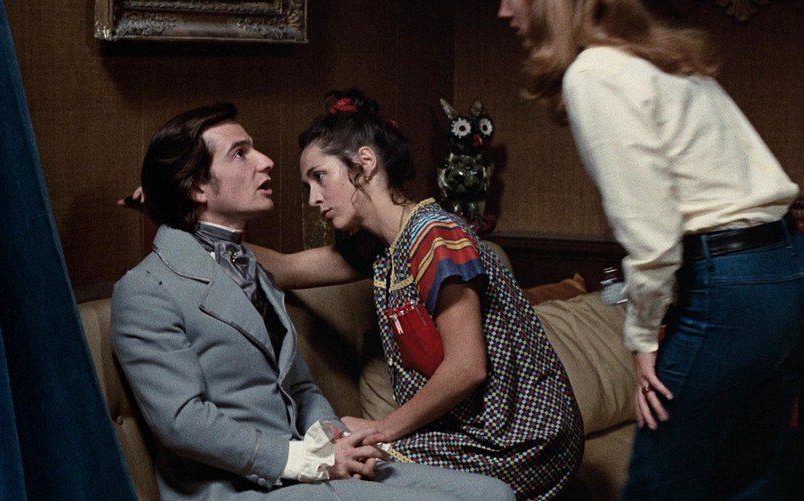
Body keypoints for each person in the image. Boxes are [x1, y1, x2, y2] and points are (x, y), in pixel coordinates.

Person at [110, 102, 516, 501]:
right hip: (236, 486)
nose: (266, 161)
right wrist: (309, 459)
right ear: (197, 187)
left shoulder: (251, 267)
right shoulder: (145, 290)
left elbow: (301, 386)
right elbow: (183, 423)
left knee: (494, 495)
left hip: (310, 466)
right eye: (240, 153)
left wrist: (331, 441)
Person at [498, 1, 804, 499]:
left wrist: (643, 340)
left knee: (658, 485)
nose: (503, 10)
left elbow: (652, 235)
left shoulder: (594, 72)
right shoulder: (660, 58)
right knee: (745, 483)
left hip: (731, 284)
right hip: (787, 271)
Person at [249, 89, 584, 501]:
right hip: (464, 432)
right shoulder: (380, 250)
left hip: (521, 438)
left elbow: (467, 368)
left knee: (354, 463)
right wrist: (193, 222)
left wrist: (383, 429)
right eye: (308, 185)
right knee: (342, 455)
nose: (314, 199)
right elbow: (285, 268)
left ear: (365, 163)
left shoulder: (435, 235)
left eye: (320, 176)